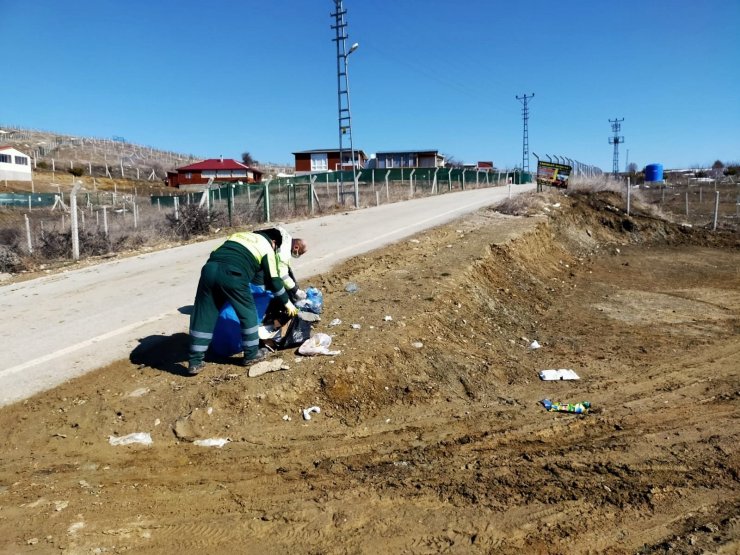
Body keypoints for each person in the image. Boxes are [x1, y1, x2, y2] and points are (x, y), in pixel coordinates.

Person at [186, 229, 299, 376]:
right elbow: (274, 280)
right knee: (248, 313)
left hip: (209, 270)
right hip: (234, 274)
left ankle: (195, 362)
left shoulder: (238, 236)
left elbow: (217, 253)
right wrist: (286, 302)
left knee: (204, 313)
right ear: (274, 242)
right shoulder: (266, 247)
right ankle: (251, 355)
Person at [252, 226, 308, 302]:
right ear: (296, 247)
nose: (298, 255)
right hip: (255, 253)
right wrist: (296, 290)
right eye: (300, 253)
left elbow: (286, 267)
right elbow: (282, 275)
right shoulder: (284, 251)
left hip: (253, 239)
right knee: (261, 284)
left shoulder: (286, 237)